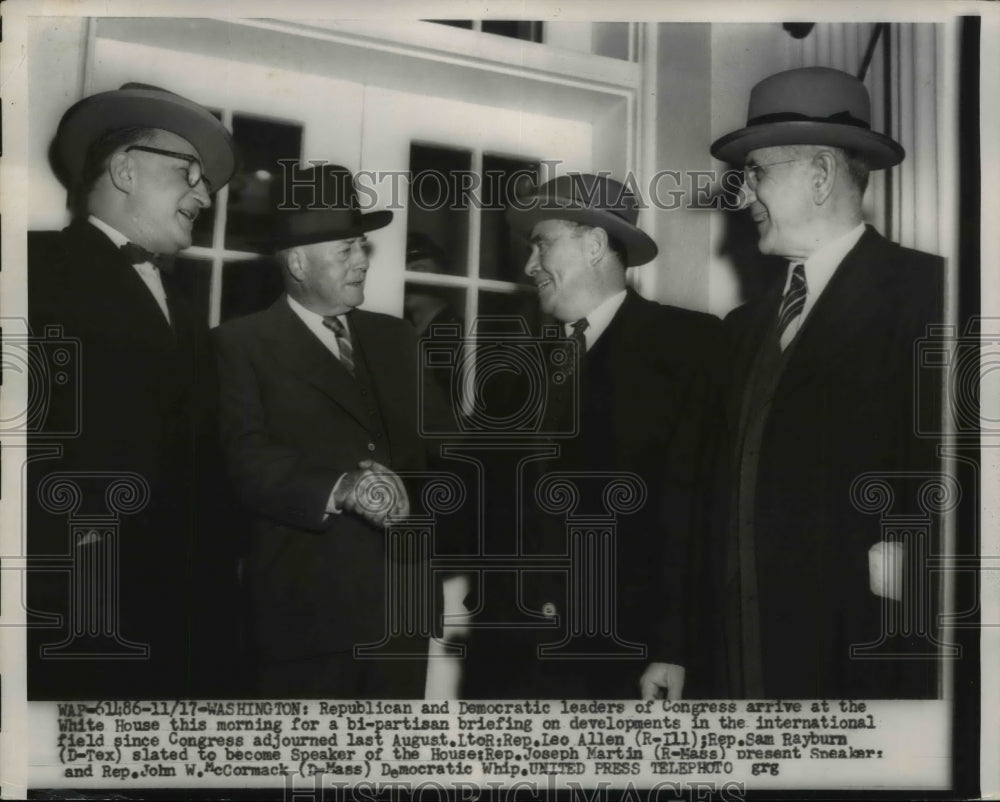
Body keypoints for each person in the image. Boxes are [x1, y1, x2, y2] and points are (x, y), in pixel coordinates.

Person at [710, 67, 943, 698]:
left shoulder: (934, 294)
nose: (744, 195)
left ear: (820, 175)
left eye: (757, 173)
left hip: (864, 655)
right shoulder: (740, 329)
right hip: (744, 659)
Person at [27, 83, 239, 698]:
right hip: (73, 611)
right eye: (187, 173)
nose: (203, 194)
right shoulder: (33, 270)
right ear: (123, 170)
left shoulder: (183, 305)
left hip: (179, 615)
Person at [215, 164, 450, 698]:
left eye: (362, 247)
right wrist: (342, 487)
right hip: (305, 619)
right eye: (346, 250)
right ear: (297, 262)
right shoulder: (238, 345)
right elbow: (243, 458)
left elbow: (446, 452)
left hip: (402, 613)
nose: (363, 262)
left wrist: (415, 495)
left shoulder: (397, 338)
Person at [490, 173, 721, 700]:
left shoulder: (689, 345)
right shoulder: (513, 373)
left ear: (594, 244)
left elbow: (693, 509)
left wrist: (673, 646)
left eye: (541, 244)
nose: (529, 267)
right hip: (515, 657)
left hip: (626, 657)